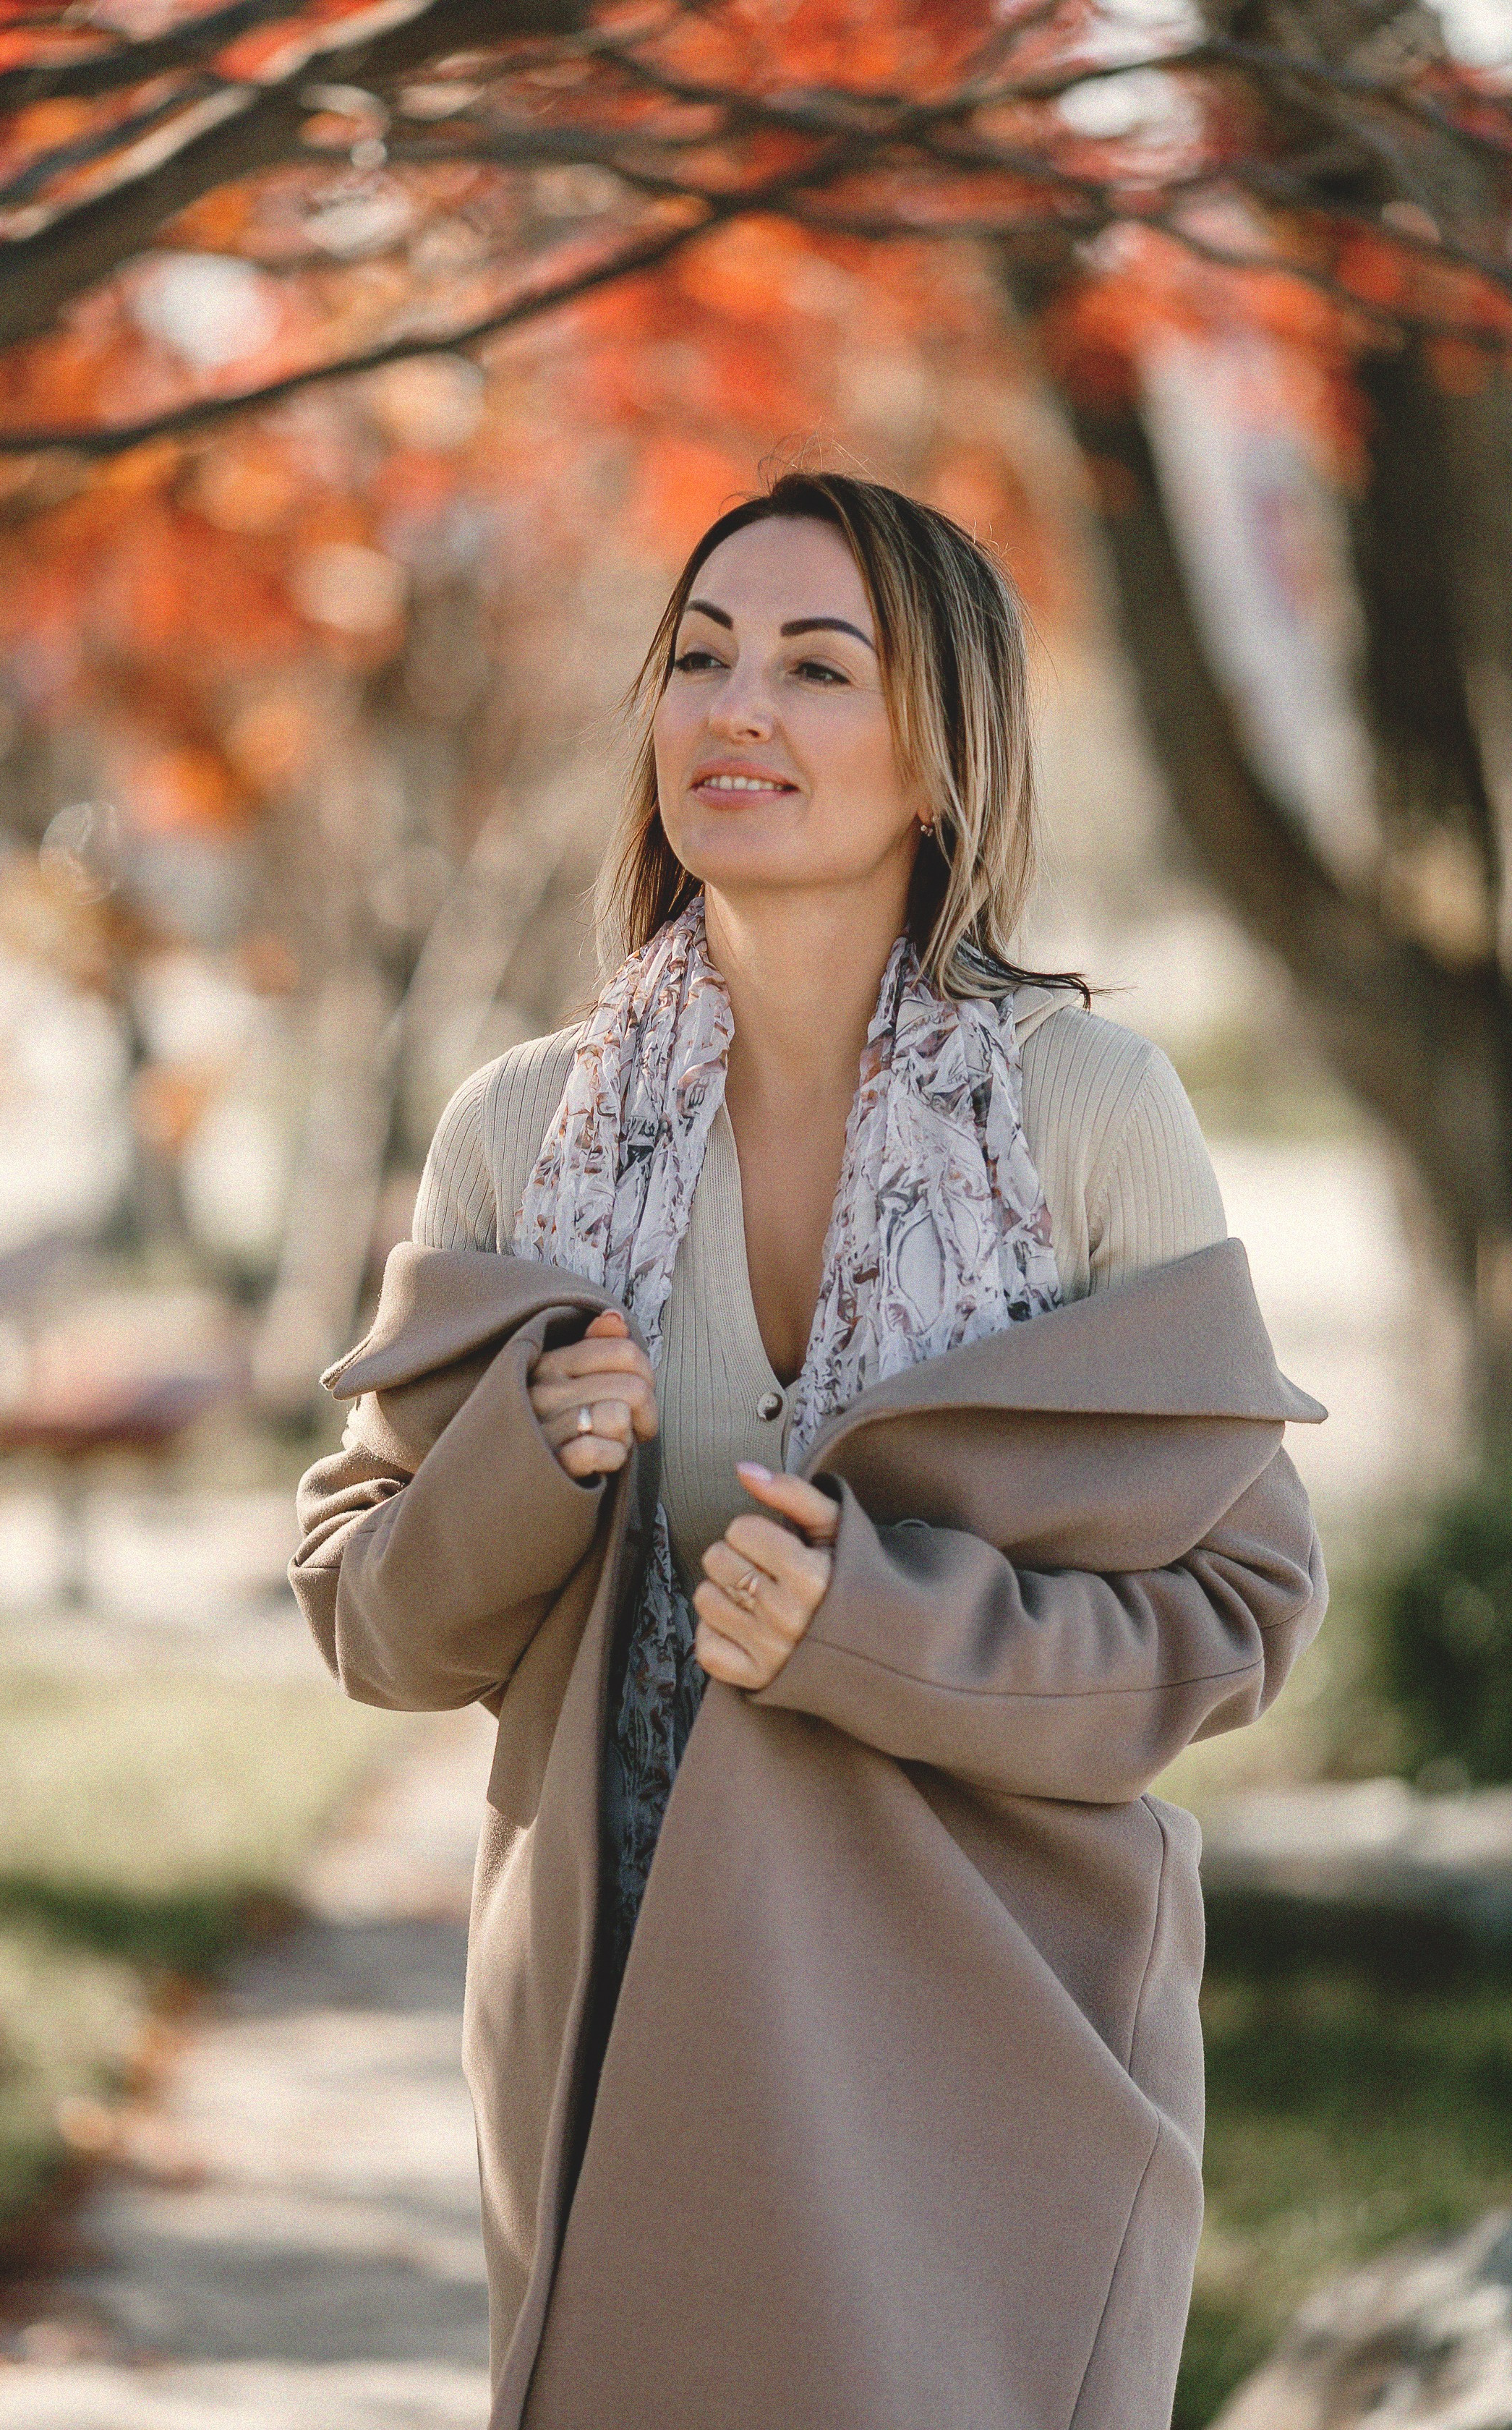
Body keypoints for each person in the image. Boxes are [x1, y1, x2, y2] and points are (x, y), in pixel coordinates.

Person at [291, 471, 1328, 2430]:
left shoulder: (1085, 1117)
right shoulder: (521, 1139)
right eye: (697, 656)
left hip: (993, 2053)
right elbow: (368, 1617)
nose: (734, 707)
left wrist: (878, 1628)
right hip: (616, 2055)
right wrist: (520, 1466)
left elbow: (1244, 1610)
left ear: (942, 754)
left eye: (816, 667)